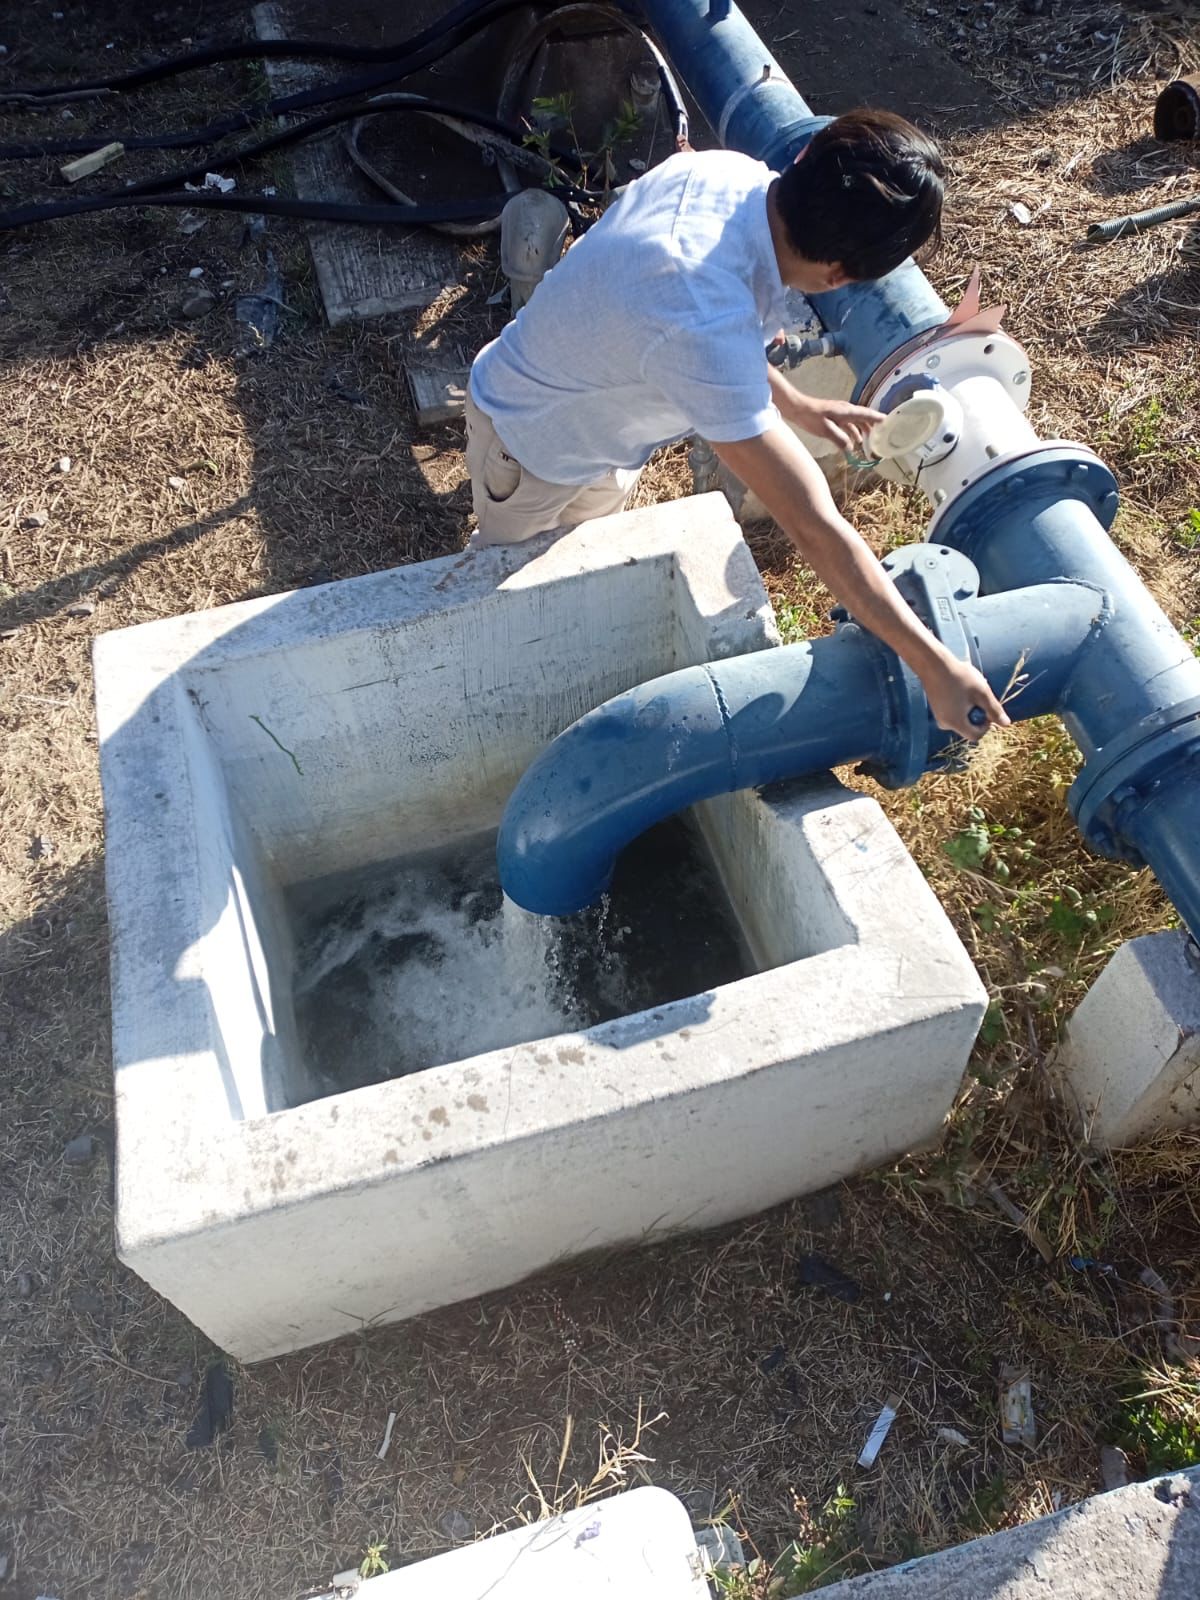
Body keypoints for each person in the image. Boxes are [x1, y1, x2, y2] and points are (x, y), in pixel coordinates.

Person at [464, 110, 1008, 741]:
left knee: (581, 561)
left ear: (804, 162)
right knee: (508, 590)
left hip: (599, 418)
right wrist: (935, 666)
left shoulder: (725, 174)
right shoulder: (699, 318)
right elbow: (814, 524)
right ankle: (498, 703)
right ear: (839, 277)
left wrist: (798, 406)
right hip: (526, 445)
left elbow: (720, 335)